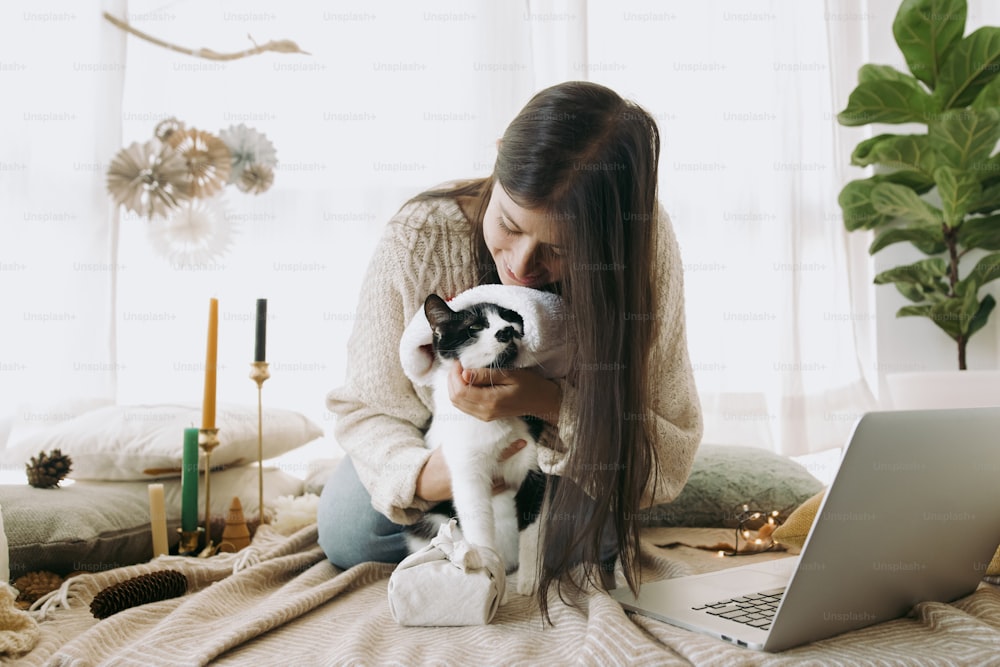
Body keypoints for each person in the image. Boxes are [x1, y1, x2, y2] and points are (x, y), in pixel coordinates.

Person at [318, 80, 703, 617]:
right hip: (444, 451)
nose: (521, 265)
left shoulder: (645, 246)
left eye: (560, 250)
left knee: (592, 539)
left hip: (571, 461)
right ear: (499, 158)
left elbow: (669, 453)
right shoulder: (421, 235)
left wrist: (546, 403)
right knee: (349, 531)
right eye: (509, 225)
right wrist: (439, 472)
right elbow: (366, 406)